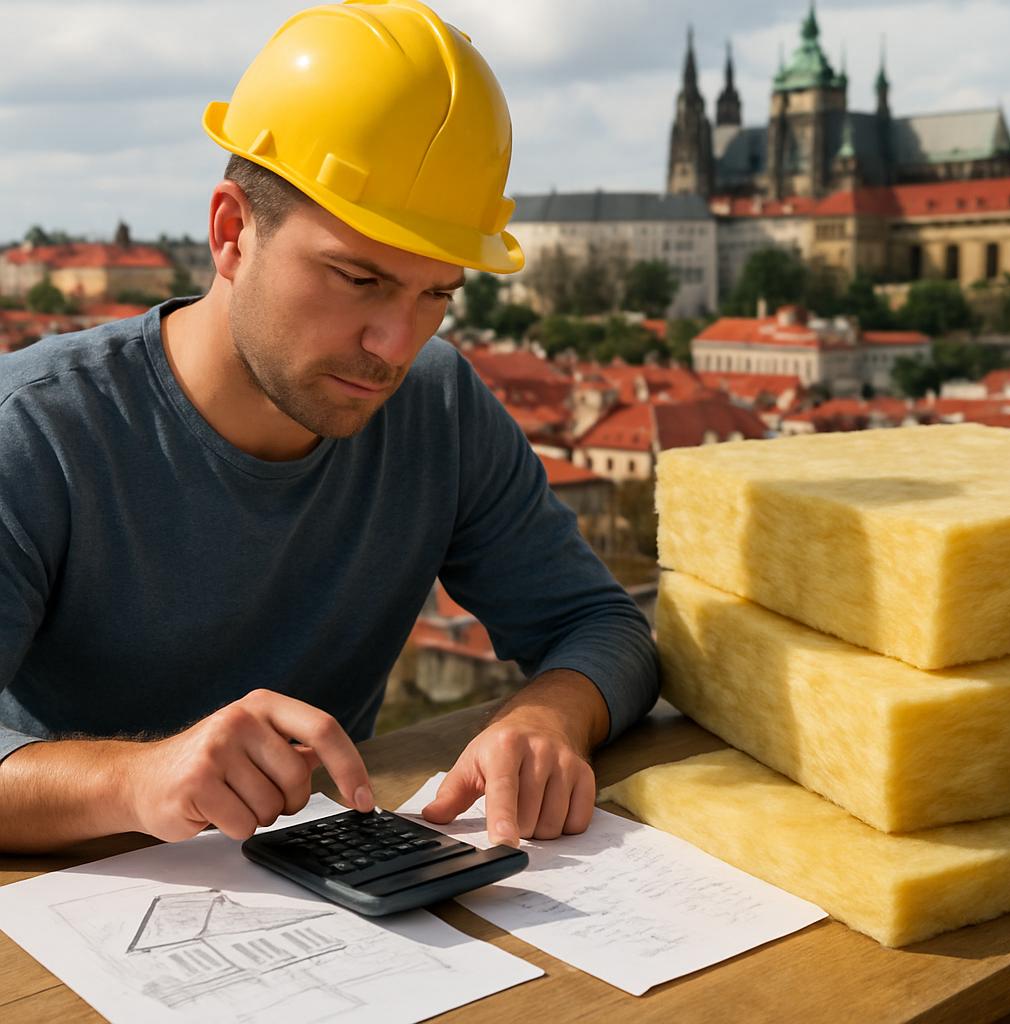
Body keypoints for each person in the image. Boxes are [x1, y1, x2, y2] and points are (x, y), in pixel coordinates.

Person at [0, 0, 657, 854]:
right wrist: (139, 779)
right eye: (358, 279)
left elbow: (604, 628)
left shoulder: (439, 406)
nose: (396, 346)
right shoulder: (34, 430)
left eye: (437, 295)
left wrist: (545, 718)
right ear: (233, 233)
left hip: (332, 906)